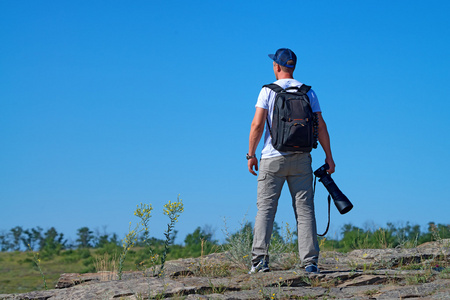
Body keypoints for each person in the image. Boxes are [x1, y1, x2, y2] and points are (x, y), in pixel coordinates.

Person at [246, 48, 335, 274]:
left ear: (277, 66)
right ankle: (310, 263)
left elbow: (257, 124)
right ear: (293, 66)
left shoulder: (268, 91)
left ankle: (260, 262)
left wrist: (251, 154)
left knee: (266, 210)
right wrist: (329, 157)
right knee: (305, 211)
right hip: (301, 159)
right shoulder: (308, 92)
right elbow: (321, 126)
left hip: (272, 158)